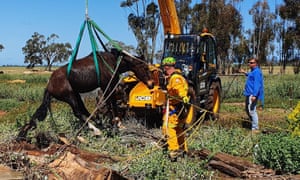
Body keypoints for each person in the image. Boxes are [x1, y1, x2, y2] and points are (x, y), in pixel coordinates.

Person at [161, 56, 190, 161]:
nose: (164, 69)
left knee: (170, 128)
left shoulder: (175, 78)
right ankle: (183, 149)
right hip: (178, 108)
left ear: (168, 67)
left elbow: (179, 88)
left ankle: (174, 151)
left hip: (176, 108)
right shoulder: (176, 77)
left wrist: (183, 96)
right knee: (179, 129)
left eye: (165, 67)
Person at [239, 57, 264, 134]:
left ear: (256, 64)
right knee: (247, 109)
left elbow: (257, 84)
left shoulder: (257, 72)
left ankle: (255, 128)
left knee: (252, 111)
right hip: (248, 93)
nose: (250, 64)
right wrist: (244, 72)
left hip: (252, 95)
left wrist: (254, 95)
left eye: (252, 63)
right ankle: (253, 122)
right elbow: (250, 75)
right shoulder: (253, 71)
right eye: (249, 62)